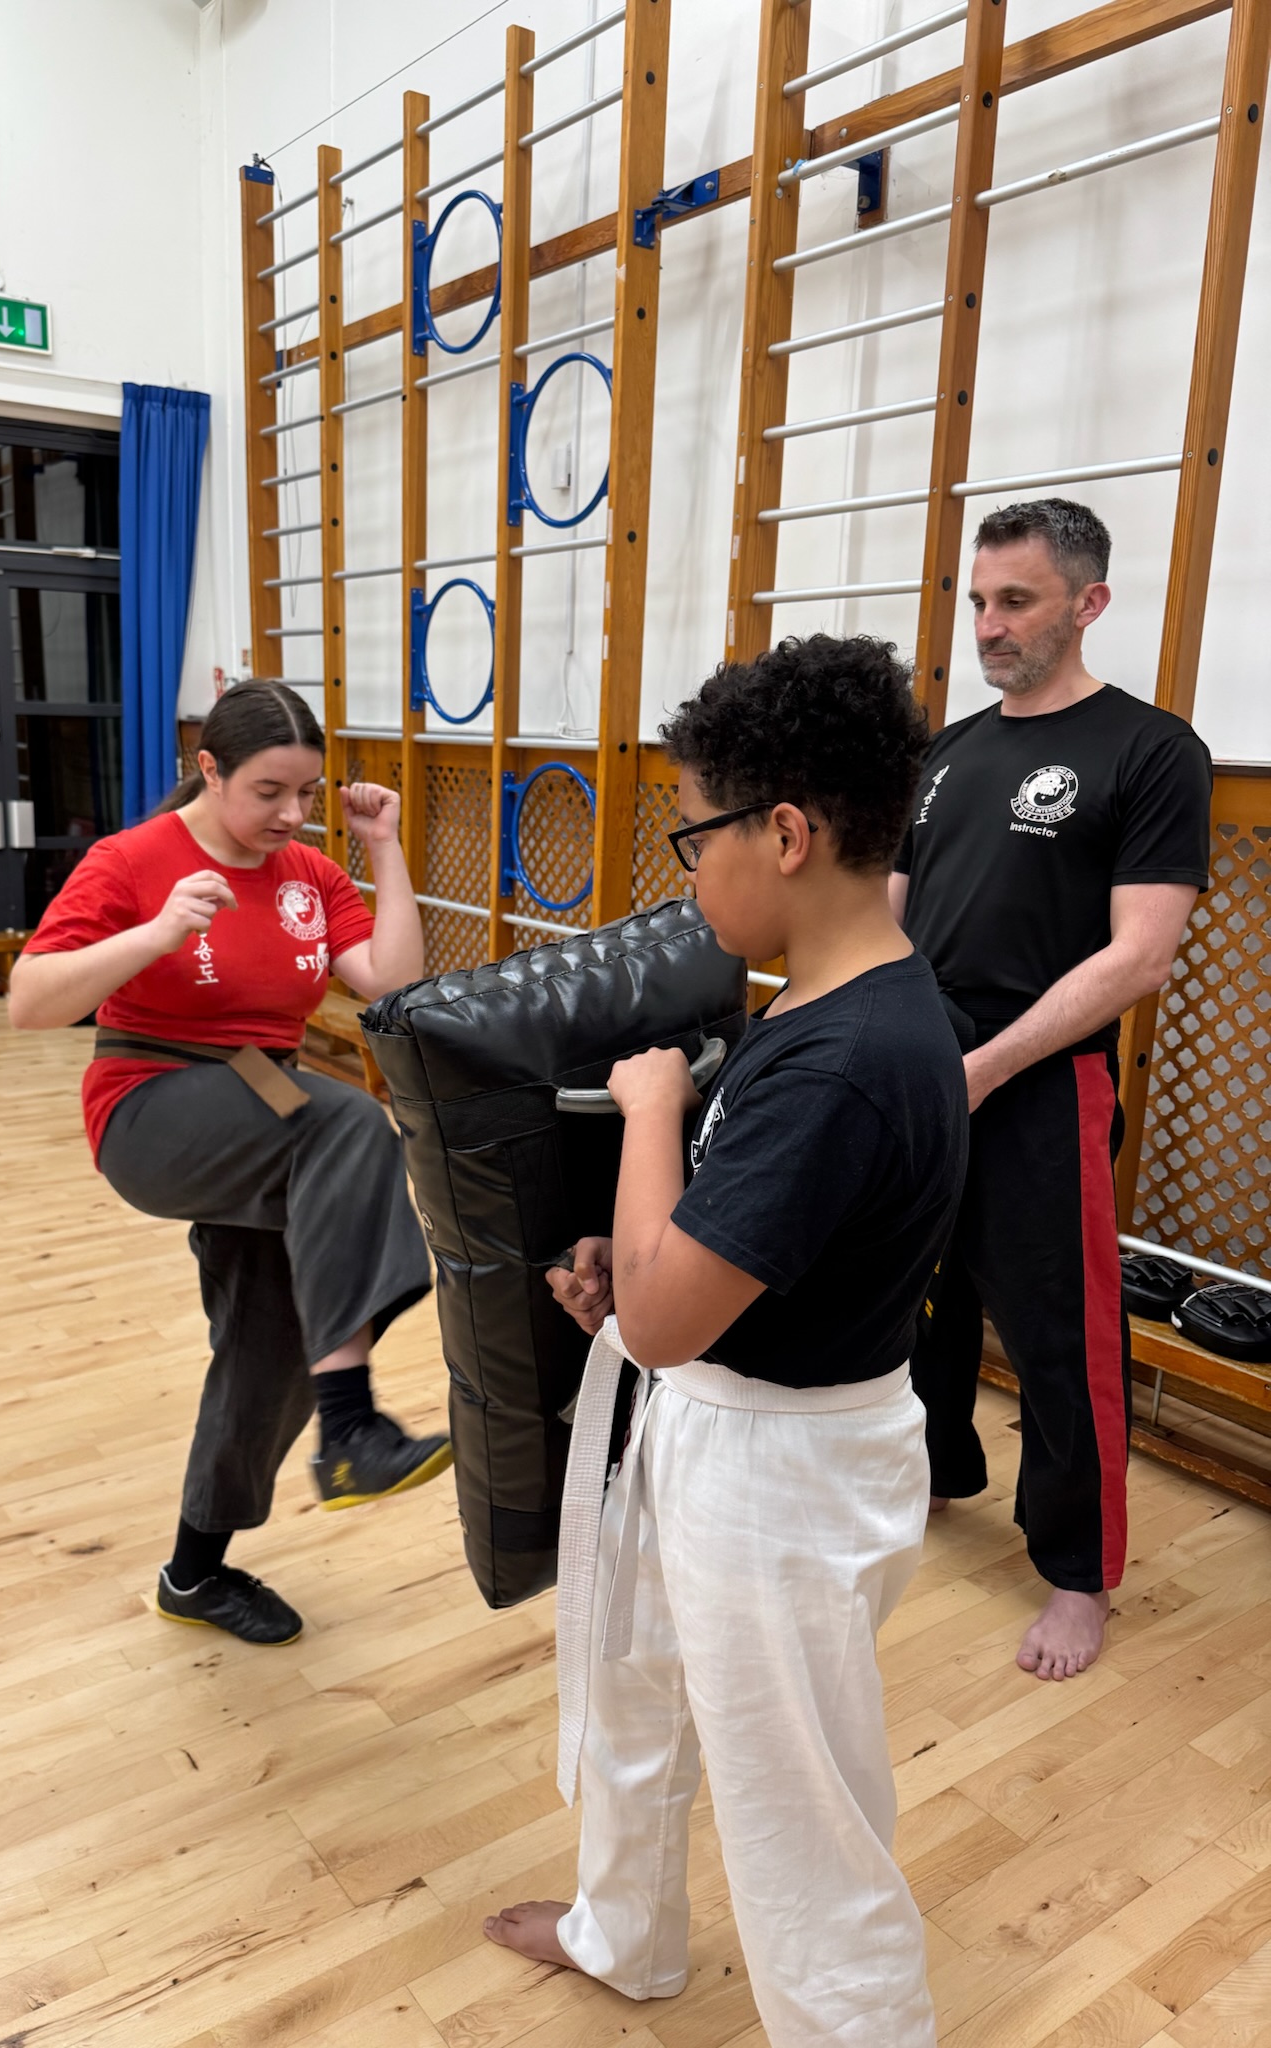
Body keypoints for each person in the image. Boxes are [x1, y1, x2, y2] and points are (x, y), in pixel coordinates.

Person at [486, 637, 968, 2048]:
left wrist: (648, 1117)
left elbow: (668, 1309)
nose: (687, 872)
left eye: (694, 834)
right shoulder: (838, 1009)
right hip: (722, 1419)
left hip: (781, 1482)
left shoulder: (843, 1058)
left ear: (789, 832)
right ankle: (624, 1935)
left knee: (798, 1812)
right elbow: (698, 1281)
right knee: (640, 1692)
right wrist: (632, 1274)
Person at [8, 680, 447, 1648]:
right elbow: (30, 1001)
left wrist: (384, 847)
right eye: (268, 791)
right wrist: (157, 931)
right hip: (152, 1102)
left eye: (308, 792)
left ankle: (195, 1570)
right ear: (208, 769)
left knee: (272, 1341)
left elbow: (394, 990)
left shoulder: (308, 872)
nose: (291, 815)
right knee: (350, 1122)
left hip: (267, 1111)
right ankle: (353, 1425)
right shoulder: (131, 859)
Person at [892, 498, 1212, 1682]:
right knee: (917, 1289)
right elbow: (892, 908)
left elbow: (1140, 954)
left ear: (1089, 602)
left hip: (1041, 1082)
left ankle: (1078, 1573)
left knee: (1059, 1334)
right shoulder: (952, 750)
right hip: (927, 1063)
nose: (989, 622)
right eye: (978, 599)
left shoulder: (1150, 748)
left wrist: (987, 1065)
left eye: (1015, 599)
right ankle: (934, 1466)